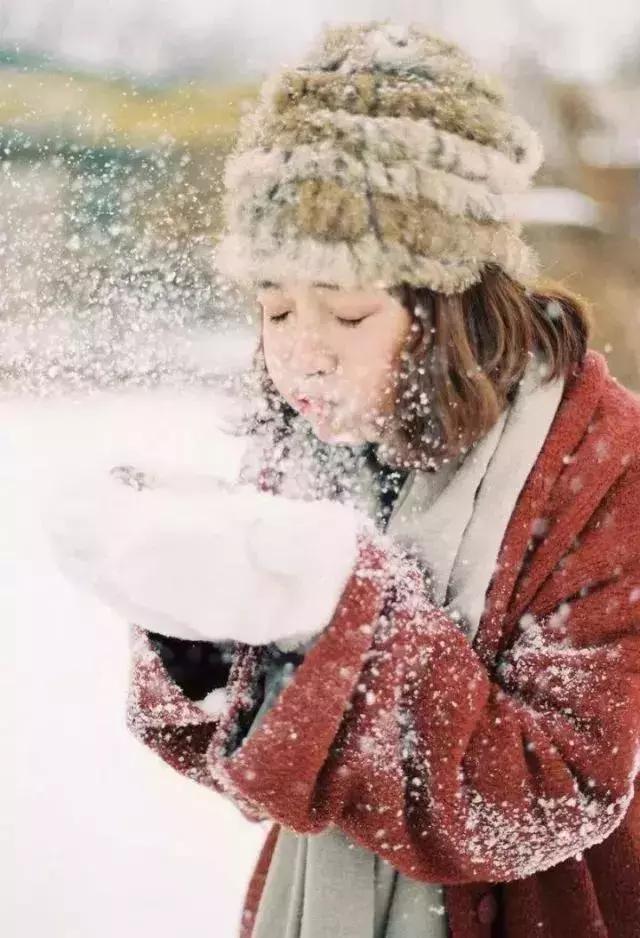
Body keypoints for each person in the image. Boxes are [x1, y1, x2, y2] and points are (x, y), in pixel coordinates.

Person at [46, 20, 640, 938]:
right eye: (275, 308)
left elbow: (556, 796)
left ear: (455, 302)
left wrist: (337, 609)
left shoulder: (600, 463)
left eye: (349, 313)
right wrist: (195, 624)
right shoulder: (313, 441)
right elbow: (248, 769)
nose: (301, 355)